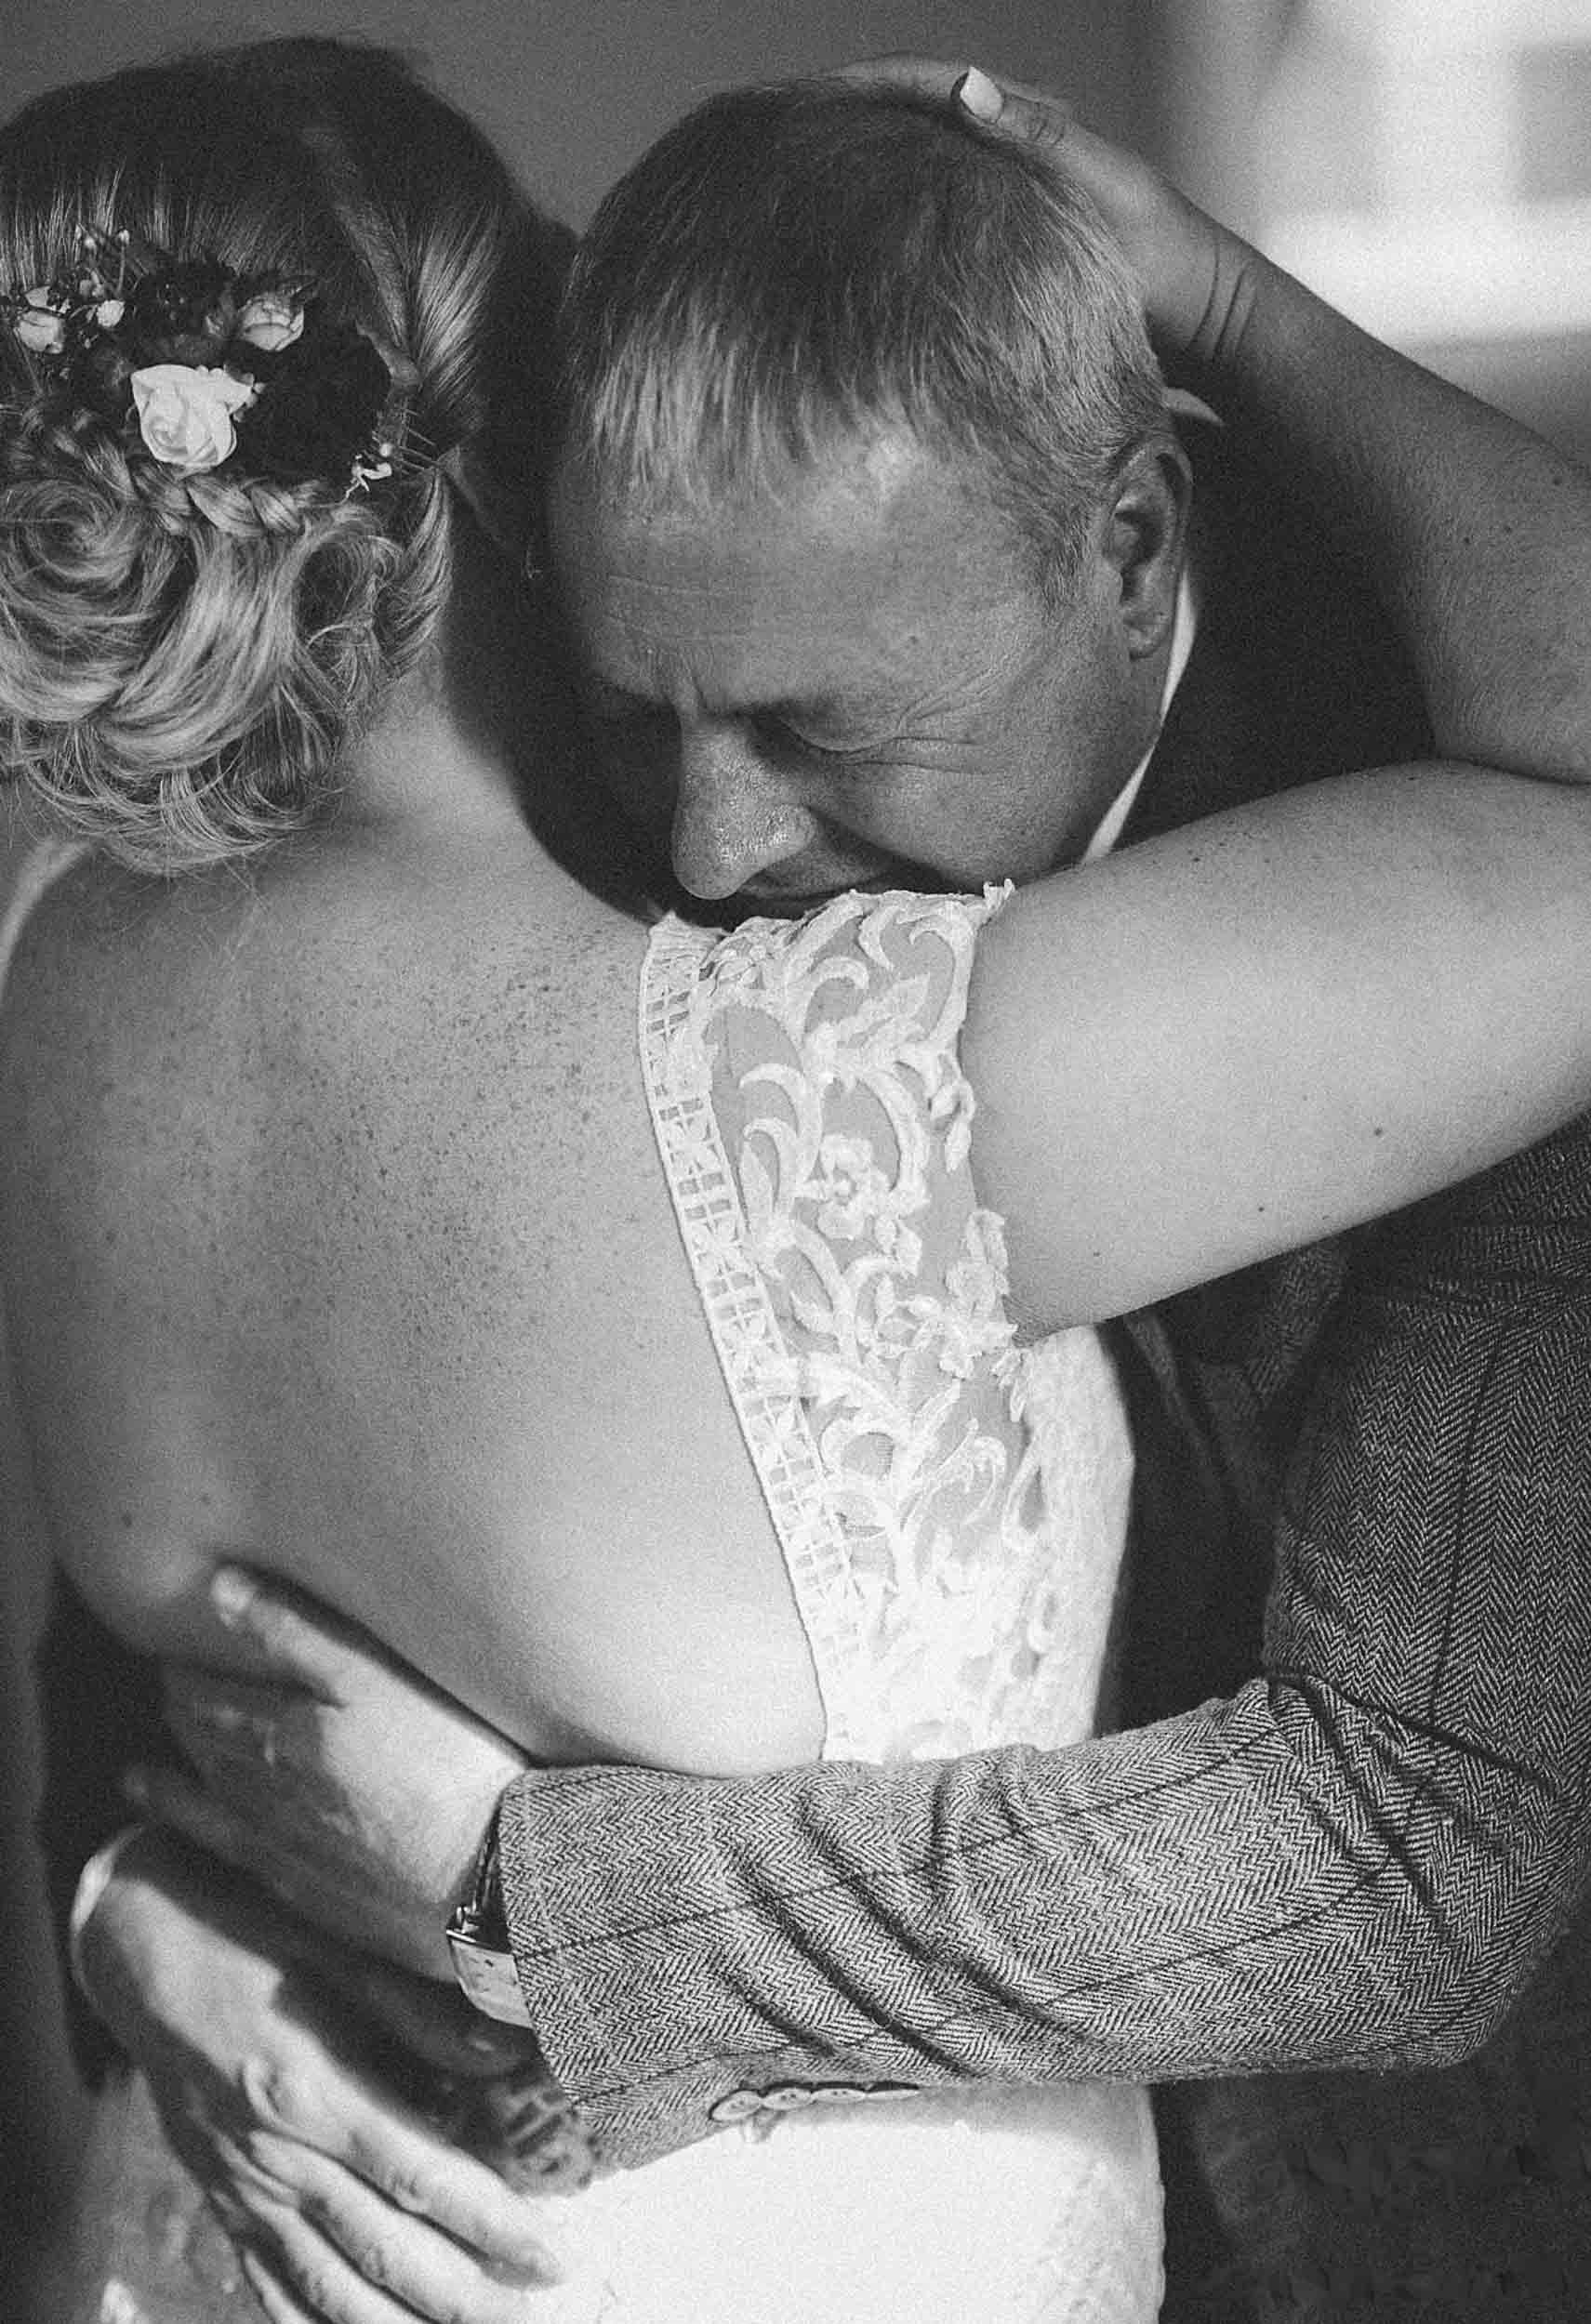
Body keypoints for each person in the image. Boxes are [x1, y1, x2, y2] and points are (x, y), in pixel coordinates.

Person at [7, 42, 1591, 2324]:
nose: (707, 850)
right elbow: (192, 1607)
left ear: (1131, 547)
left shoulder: (58, 948)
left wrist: (485, 1898)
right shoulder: (750, 993)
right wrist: (133, 1895)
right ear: (528, 463)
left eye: (823, 734)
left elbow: (1412, 1845)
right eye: (649, 707)